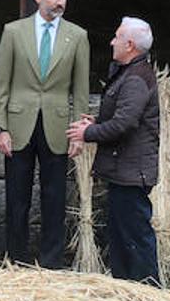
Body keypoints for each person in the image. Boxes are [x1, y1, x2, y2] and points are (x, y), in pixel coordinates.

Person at [0, 0, 90, 268]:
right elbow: (2, 85)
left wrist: (78, 133)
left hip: (58, 127)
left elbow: (81, 90)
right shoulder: (13, 32)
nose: (60, 2)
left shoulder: (78, 36)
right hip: (19, 126)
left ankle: (51, 262)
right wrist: (1, 127)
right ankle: (17, 261)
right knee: (16, 198)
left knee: (55, 198)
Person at [67, 17, 160, 283]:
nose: (112, 41)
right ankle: (127, 290)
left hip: (132, 170)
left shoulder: (135, 78)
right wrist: (97, 123)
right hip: (126, 169)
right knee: (122, 237)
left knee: (134, 238)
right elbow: (125, 117)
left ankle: (147, 292)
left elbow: (126, 123)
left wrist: (88, 133)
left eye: (117, 36)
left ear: (129, 45)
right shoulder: (131, 73)